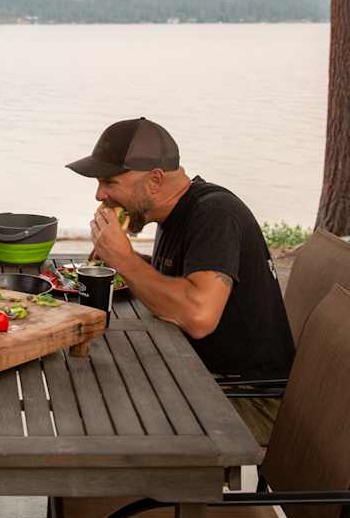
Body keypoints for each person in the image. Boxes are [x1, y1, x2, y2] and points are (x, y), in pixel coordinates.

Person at [67, 116, 293, 445]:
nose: (100, 194)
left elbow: (199, 316)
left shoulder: (215, 215)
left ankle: (114, 492)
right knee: (88, 388)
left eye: (110, 182)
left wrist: (125, 260)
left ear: (155, 181)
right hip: (194, 372)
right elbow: (181, 281)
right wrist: (130, 260)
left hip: (247, 398)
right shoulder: (172, 213)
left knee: (98, 420)